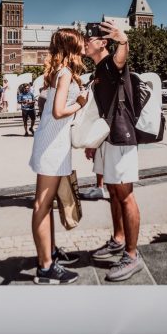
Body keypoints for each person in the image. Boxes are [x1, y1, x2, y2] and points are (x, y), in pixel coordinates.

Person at [83, 20, 144, 282]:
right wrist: (93, 142)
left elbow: (121, 60)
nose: (85, 42)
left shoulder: (109, 63)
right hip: (107, 139)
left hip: (121, 136)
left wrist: (124, 40)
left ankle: (132, 255)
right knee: (112, 192)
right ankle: (119, 239)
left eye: (89, 39)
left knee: (125, 195)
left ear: (102, 43)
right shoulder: (98, 70)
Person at [28, 28, 88, 285]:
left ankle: (49, 252)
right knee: (42, 204)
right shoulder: (64, 74)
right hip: (52, 147)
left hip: (53, 144)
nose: (85, 43)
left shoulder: (61, 72)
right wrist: (81, 104)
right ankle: (45, 268)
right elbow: (58, 111)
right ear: (72, 46)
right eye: (81, 41)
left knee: (46, 203)